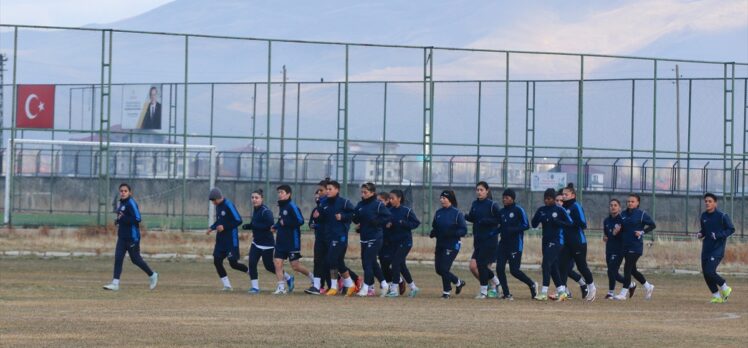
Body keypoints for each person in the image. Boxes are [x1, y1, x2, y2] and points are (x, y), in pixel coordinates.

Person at [103, 183, 158, 291]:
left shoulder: (131, 203)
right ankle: (115, 283)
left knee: (136, 259)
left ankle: (152, 275)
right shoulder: (122, 204)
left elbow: (137, 218)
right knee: (118, 258)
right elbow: (122, 217)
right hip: (122, 237)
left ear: (130, 192)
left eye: (125, 191)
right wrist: (118, 220)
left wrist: (123, 219)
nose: (123, 193)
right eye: (121, 191)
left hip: (132, 238)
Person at [242, 189, 290, 294]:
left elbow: (270, 226)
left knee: (269, 266)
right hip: (256, 243)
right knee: (252, 263)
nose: (254, 200)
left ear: (261, 199)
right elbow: (256, 223)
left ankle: (288, 277)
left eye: (256, 198)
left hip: (267, 244)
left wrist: (253, 226)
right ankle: (255, 287)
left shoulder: (265, 211)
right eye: (252, 197)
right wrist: (249, 226)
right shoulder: (255, 210)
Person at [271, 185, 313, 295]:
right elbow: (281, 221)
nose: (279, 194)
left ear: (288, 194)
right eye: (278, 192)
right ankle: (281, 287)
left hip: (292, 241)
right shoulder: (282, 206)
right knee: (277, 263)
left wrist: (286, 223)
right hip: (281, 240)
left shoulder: (292, 206)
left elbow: (300, 221)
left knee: (295, 266)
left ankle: (313, 278)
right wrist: (275, 226)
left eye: (282, 192)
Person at [557, 183, 597, 301]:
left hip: (578, 242)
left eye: (566, 194)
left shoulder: (576, 206)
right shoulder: (563, 208)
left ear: (573, 195)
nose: (563, 196)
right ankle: (562, 292)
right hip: (566, 242)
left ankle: (592, 287)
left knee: (582, 266)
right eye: (562, 194)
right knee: (562, 266)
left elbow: (583, 224)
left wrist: (567, 223)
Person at [319, 180, 359, 296]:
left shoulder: (344, 202)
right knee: (339, 262)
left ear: (337, 190)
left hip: (340, 236)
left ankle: (334, 286)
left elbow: (354, 214)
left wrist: (343, 216)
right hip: (329, 236)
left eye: (330, 189)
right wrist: (317, 217)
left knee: (331, 260)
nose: (328, 191)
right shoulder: (324, 203)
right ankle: (350, 284)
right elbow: (321, 218)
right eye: (327, 189)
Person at [614, 193, 656, 300]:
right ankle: (648, 286)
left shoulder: (641, 214)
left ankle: (623, 294)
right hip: (625, 245)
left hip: (635, 246)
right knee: (633, 270)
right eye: (628, 201)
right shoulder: (623, 214)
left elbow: (652, 225)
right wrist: (618, 229)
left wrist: (642, 232)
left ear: (637, 203)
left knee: (627, 268)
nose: (630, 203)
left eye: (632, 201)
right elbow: (621, 228)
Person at [530, 188, 571, 301]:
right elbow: (533, 224)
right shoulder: (541, 210)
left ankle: (543, 292)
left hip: (557, 241)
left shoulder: (560, 210)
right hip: (546, 241)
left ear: (553, 199)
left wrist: (559, 222)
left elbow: (570, 223)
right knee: (552, 267)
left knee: (545, 264)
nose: (547, 201)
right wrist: (538, 217)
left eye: (549, 199)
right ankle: (562, 292)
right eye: (545, 199)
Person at [496, 188, 536, 300]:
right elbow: (500, 228)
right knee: (499, 268)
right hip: (503, 244)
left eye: (507, 197)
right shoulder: (502, 212)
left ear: (512, 199)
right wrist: (490, 233)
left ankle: (531, 284)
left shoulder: (518, 210)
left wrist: (512, 229)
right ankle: (506, 293)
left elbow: (526, 225)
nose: (504, 199)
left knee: (514, 271)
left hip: (515, 244)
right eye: (503, 197)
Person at [352, 182, 392, 296]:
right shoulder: (360, 204)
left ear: (372, 193)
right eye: (362, 192)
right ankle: (384, 284)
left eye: (366, 192)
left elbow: (388, 216)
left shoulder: (378, 205)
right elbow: (356, 218)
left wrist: (377, 222)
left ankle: (365, 288)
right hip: (364, 237)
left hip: (375, 237)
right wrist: (355, 218)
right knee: (372, 263)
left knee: (367, 262)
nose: (363, 194)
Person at [207, 187, 248, 291]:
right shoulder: (218, 206)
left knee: (233, 263)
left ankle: (250, 272)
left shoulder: (228, 205)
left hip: (231, 239)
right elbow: (219, 221)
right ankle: (227, 286)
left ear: (218, 198)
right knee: (217, 261)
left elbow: (238, 220)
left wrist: (224, 227)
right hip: (221, 240)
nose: (213, 203)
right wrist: (212, 228)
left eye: (213, 201)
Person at [465, 181, 501, 299]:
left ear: (487, 191)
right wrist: (463, 216)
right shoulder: (475, 204)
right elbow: (472, 218)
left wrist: (486, 221)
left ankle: (484, 291)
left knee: (481, 265)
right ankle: (496, 283)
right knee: (473, 266)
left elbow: (499, 220)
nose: (479, 192)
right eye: (477, 190)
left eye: (481, 190)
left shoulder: (492, 205)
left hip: (490, 240)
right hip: (478, 240)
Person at [697, 193, 735, 303]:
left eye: (710, 201)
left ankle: (725, 287)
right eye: (706, 201)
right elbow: (704, 231)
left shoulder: (722, 216)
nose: (707, 203)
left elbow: (731, 229)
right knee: (705, 273)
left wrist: (718, 235)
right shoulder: (703, 216)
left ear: (715, 203)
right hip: (706, 249)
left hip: (717, 249)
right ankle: (717, 296)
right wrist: (700, 234)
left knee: (709, 271)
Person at [430, 190, 467, 299]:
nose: (442, 200)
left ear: (450, 199)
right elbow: (435, 227)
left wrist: (452, 233)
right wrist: (433, 233)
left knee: (444, 268)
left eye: (444, 198)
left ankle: (446, 291)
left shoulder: (457, 213)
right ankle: (458, 282)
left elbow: (464, 230)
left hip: (452, 244)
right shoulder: (438, 213)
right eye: (441, 198)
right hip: (440, 244)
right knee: (438, 269)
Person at [384, 189, 421, 297]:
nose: (390, 200)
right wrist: (388, 225)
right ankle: (413, 287)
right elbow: (386, 223)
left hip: (405, 241)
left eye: (392, 198)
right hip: (394, 242)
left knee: (395, 263)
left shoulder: (406, 210)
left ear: (399, 199)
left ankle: (394, 290)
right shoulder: (389, 210)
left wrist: (404, 223)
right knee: (401, 265)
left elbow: (416, 223)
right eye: (389, 198)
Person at [554, 191, 585, 300]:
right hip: (559, 244)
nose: (559, 202)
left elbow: (579, 224)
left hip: (570, 244)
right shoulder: (555, 213)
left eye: (561, 201)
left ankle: (568, 290)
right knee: (559, 267)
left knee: (564, 268)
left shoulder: (568, 212)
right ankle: (575, 287)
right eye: (556, 200)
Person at [305, 179, 332, 295]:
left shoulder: (331, 204)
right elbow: (313, 221)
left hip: (330, 237)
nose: (318, 194)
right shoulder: (318, 207)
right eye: (317, 192)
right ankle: (317, 286)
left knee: (331, 263)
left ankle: (338, 284)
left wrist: (319, 220)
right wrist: (314, 223)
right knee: (318, 261)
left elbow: (330, 220)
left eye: (321, 191)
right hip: (320, 237)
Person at [603, 198, 628, 299]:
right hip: (609, 249)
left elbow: (625, 235)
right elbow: (607, 234)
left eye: (615, 205)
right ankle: (629, 284)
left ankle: (611, 292)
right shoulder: (606, 220)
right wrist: (605, 237)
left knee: (611, 271)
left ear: (619, 208)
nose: (613, 207)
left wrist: (615, 234)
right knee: (612, 271)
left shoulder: (622, 220)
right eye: (611, 205)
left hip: (619, 249)